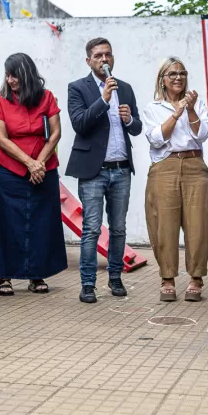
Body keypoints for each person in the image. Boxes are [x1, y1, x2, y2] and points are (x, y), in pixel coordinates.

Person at [0, 53, 66, 295]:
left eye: (13, 74)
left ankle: (36, 276)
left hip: (44, 169)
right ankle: (4, 277)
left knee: (41, 223)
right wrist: (29, 163)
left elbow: (55, 133)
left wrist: (39, 163)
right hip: (9, 171)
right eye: (7, 75)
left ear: (25, 74)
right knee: (5, 223)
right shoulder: (2, 102)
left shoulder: (47, 98)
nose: (9, 79)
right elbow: (1, 139)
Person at [67, 38, 142, 304]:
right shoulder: (77, 88)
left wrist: (129, 118)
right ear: (89, 61)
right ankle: (88, 284)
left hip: (121, 168)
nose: (104, 59)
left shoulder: (126, 88)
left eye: (108, 54)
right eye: (98, 55)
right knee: (91, 229)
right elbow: (80, 124)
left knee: (119, 228)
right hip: (93, 170)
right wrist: (103, 99)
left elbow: (137, 128)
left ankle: (115, 278)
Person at [143, 57, 208, 302]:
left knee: (198, 224)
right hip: (165, 166)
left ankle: (196, 278)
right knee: (165, 224)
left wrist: (191, 108)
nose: (178, 77)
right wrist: (177, 113)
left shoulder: (198, 103)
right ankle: (167, 278)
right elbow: (156, 139)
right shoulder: (153, 107)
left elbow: (203, 133)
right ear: (162, 80)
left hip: (195, 165)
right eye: (172, 74)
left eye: (182, 73)